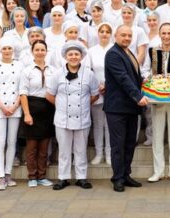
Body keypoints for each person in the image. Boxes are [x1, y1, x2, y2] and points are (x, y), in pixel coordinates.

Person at [46, 41, 99, 190]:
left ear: (81, 56)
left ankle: (81, 178)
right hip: (62, 119)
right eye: (70, 54)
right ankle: (63, 178)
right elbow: (49, 95)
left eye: (76, 54)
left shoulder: (89, 74)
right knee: (64, 150)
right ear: (65, 56)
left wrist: (83, 105)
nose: (74, 57)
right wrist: (61, 106)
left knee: (81, 149)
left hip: (82, 118)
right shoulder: (58, 74)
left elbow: (95, 95)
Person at [141, 23, 170, 183]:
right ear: (160, 34)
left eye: (169, 33)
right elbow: (145, 70)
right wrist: (149, 78)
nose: (166, 36)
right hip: (157, 99)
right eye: (164, 33)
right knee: (157, 136)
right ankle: (158, 171)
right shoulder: (152, 51)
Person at [104, 25, 148, 193]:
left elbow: (133, 77)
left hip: (130, 107)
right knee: (118, 145)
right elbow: (123, 78)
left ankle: (126, 175)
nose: (127, 38)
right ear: (115, 36)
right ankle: (117, 178)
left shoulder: (128, 52)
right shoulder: (113, 54)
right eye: (123, 35)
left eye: (129, 36)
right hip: (117, 108)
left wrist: (145, 83)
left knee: (130, 143)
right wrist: (138, 96)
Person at [18, 40, 56, 187]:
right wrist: (27, 114)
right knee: (32, 147)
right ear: (32, 52)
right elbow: (23, 93)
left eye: (42, 50)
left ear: (46, 51)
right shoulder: (27, 71)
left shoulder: (53, 70)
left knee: (44, 147)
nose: (40, 52)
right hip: (32, 107)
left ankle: (42, 176)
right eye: (37, 50)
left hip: (48, 109)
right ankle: (32, 177)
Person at [0, 37, 23, 190]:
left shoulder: (20, 65)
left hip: (15, 107)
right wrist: (2, 106)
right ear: (0, 50)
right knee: (0, 142)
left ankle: (8, 174)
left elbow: (22, 88)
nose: (7, 51)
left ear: (13, 50)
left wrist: (15, 106)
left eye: (9, 48)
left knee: (11, 141)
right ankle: (1, 176)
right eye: (4, 48)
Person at [87, 22, 113, 166]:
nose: (104, 34)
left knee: (109, 124)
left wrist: (108, 85)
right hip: (96, 90)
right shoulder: (91, 51)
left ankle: (109, 154)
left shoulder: (115, 49)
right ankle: (98, 153)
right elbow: (88, 70)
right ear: (98, 34)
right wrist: (97, 86)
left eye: (107, 31)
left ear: (111, 34)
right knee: (97, 124)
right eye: (102, 31)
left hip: (112, 91)